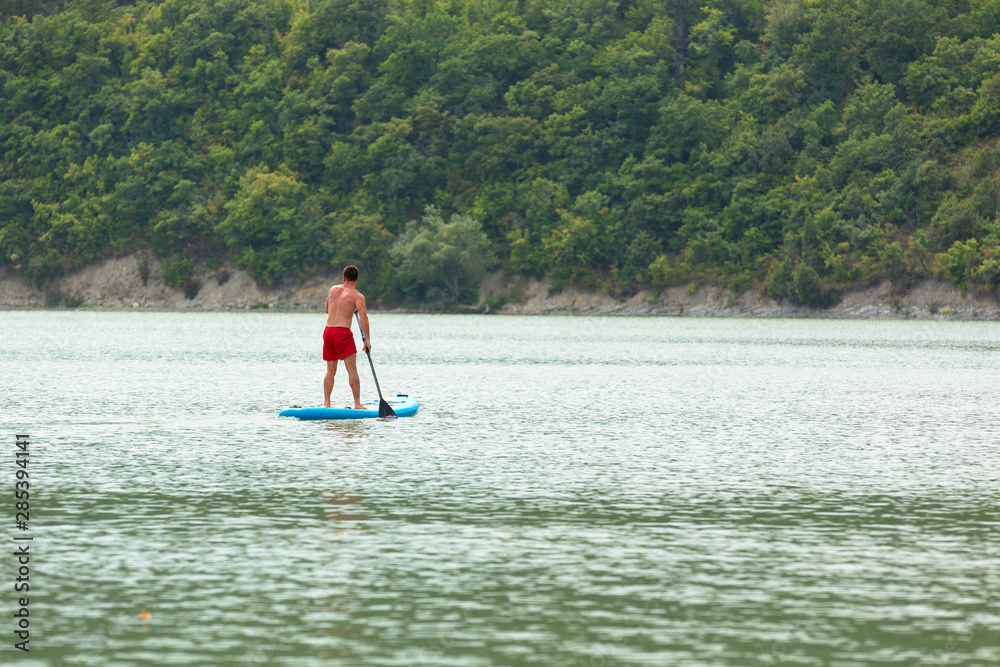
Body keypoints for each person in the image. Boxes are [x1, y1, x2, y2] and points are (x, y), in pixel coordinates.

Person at [322, 265, 371, 409]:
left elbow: (327, 310)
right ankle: (357, 403)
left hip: (328, 331)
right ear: (357, 279)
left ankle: (327, 403)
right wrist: (367, 340)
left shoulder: (332, 290)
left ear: (343, 278)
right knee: (352, 370)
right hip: (342, 333)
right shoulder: (358, 296)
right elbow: (363, 317)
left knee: (330, 371)